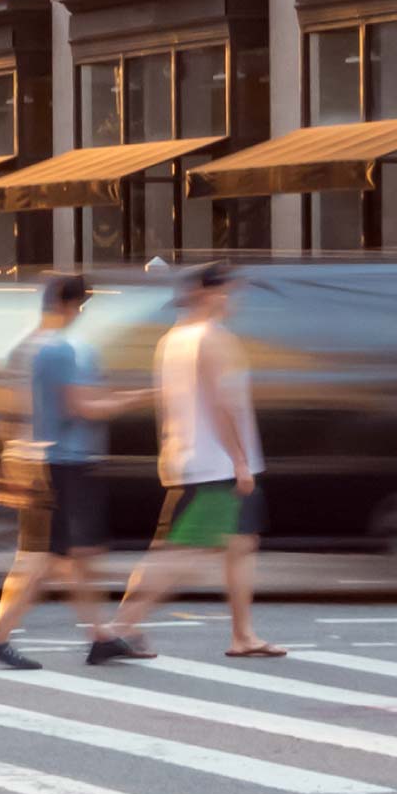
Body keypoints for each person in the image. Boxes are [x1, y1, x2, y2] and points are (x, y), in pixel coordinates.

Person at [0, 273, 151, 670]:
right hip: (64, 464)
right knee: (42, 560)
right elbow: (83, 408)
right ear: (74, 306)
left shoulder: (25, 348)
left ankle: (100, 635)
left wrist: (8, 463)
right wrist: (141, 398)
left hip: (42, 461)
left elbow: (8, 413)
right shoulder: (60, 351)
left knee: (79, 557)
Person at [110, 262, 283, 658]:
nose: (235, 298)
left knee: (241, 543)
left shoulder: (173, 338)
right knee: (182, 552)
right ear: (209, 294)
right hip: (216, 465)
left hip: (189, 458)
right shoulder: (212, 339)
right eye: (230, 290)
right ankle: (118, 629)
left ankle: (243, 635)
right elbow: (221, 404)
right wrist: (240, 461)